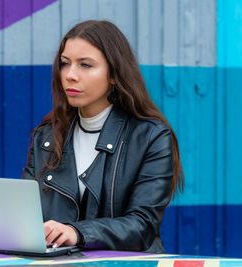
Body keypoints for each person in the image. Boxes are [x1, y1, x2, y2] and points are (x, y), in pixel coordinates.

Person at [22, 20, 183, 253]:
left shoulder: (151, 137)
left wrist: (77, 232)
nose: (70, 75)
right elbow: (27, 216)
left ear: (114, 75)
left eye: (85, 65)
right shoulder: (45, 137)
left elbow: (143, 224)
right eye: (65, 64)